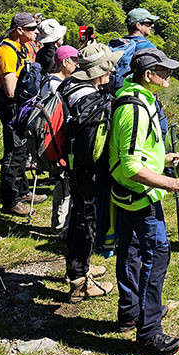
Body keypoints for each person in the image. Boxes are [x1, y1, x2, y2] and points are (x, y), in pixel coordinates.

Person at [110, 48, 179, 355]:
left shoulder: (138, 98)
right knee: (157, 255)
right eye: (164, 70)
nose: (169, 75)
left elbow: (138, 154)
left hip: (127, 194)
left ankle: (131, 312)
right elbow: (133, 166)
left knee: (131, 249)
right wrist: (175, 183)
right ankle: (149, 333)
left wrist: (162, 159)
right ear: (148, 76)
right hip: (140, 196)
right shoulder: (134, 108)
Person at [60, 42, 123, 302]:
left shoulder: (68, 86)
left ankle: (80, 267)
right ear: (102, 70)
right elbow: (93, 146)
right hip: (86, 171)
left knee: (78, 215)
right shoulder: (93, 101)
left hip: (72, 165)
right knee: (84, 219)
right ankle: (79, 280)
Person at [0, 11, 46, 216]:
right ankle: (11, 200)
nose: (36, 31)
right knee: (14, 154)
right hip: (13, 110)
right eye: (32, 28)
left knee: (22, 151)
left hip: (21, 109)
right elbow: (10, 90)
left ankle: (22, 191)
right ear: (20, 30)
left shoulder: (20, 47)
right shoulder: (6, 52)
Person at [43, 44, 79, 234]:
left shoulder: (47, 80)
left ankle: (58, 224)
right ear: (65, 62)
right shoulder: (56, 86)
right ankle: (61, 227)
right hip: (59, 142)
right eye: (74, 61)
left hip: (51, 142)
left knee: (62, 182)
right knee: (65, 183)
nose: (77, 65)